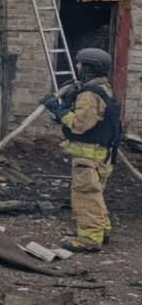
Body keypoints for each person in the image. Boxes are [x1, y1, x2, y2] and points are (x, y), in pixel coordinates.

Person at [42, 48, 122, 252]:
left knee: (85, 195)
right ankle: (102, 230)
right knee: (96, 194)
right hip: (102, 154)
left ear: (89, 67)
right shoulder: (104, 88)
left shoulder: (89, 94)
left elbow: (80, 124)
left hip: (88, 156)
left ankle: (90, 238)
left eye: (80, 64)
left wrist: (58, 110)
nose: (77, 66)